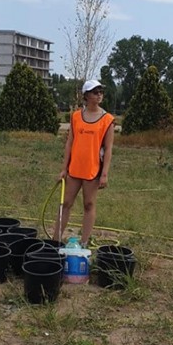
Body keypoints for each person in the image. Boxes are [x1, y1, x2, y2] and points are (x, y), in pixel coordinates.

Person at [53, 79, 115, 247]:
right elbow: (69, 143)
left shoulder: (107, 120)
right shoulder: (75, 117)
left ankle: (84, 242)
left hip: (93, 171)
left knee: (89, 204)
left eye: (101, 91)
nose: (99, 95)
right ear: (86, 95)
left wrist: (104, 174)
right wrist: (63, 168)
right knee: (65, 203)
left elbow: (108, 149)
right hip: (74, 169)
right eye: (95, 92)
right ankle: (55, 241)